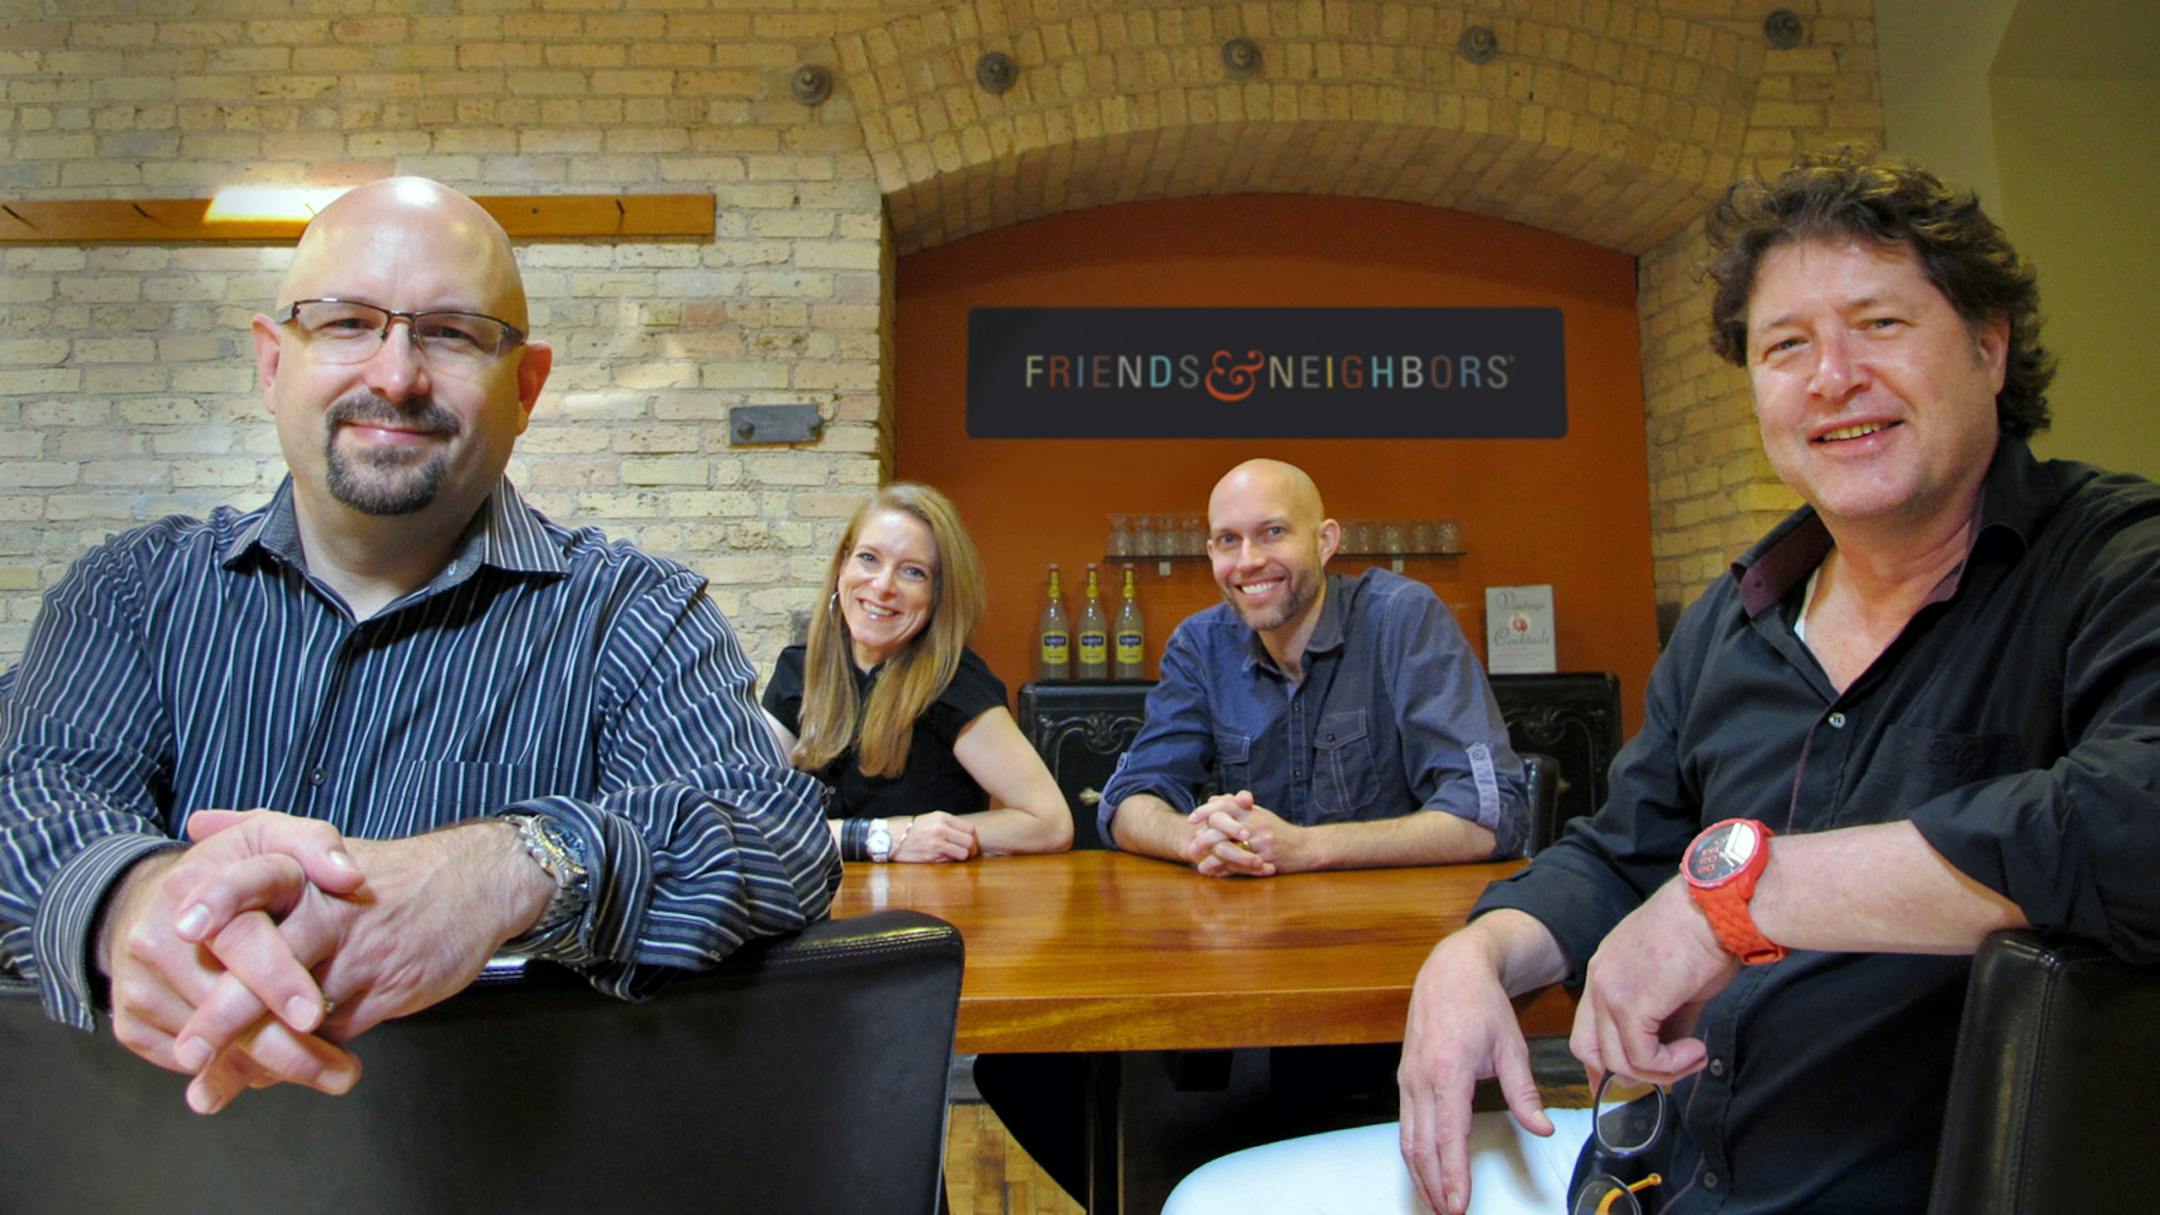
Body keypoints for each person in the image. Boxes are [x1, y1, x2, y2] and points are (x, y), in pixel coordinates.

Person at [1163, 149, 2160, 1214]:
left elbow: (2132, 819)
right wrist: (1477, 954)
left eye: (1880, 324)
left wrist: (1727, 904)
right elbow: (1618, 845)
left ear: (1990, 347)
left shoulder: (2113, 563)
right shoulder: (1738, 619)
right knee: (1218, 1198)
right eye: (1787, 346)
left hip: (1902, 1184)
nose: (1831, 376)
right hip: (1655, 1162)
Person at [0, 177, 839, 1117]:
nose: (395, 375)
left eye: (450, 332)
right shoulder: (130, 593)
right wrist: (135, 900)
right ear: (273, 362)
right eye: (347, 322)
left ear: (525, 387)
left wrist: (507, 866)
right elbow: (30, 794)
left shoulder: (634, 617)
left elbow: (775, 835)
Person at [1099, 457, 1529, 873]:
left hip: (1398, 923)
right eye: (1229, 540)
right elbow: (1128, 803)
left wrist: (1307, 848)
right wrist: (1200, 839)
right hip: (1252, 929)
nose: (1248, 560)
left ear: (1325, 541)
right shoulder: (1200, 645)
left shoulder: (1402, 618)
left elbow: (1489, 816)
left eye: (1273, 531)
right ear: (1211, 552)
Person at [761, 484, 1071, 861]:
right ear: (843, 565)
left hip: (929, 911)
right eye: (869, 558)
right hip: (818, 907)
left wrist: (949, 836)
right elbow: (754, 817)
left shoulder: (954, 683)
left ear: (938, 595)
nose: (882, 585)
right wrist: (884, 837)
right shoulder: (799, 671)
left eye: (912, 572)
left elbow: (1051, 823)